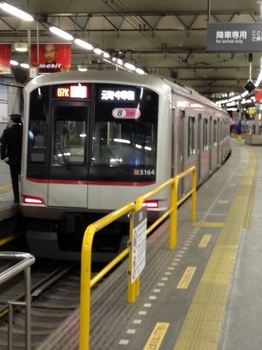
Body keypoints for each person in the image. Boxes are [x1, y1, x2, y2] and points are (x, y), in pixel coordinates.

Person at [1, 114, 23, 203]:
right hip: (24, 160)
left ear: (12, 121)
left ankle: (16, 198)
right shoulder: (24, 131)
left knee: (14, 179)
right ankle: (24, 194)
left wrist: (3, 156)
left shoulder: (7, 131)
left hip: (13, 159)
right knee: (24, 179)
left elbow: (3, 145)